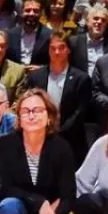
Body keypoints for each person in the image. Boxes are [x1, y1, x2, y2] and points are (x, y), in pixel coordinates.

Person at [23, 30, 94, 158]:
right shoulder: (36, 77)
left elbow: (79, 112)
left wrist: (59, 133)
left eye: (61, 48)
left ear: (68, 50)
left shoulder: (81, 78)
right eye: (53, 48)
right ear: (48, 50)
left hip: (71, 141)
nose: (57, 52)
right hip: (39, 138)